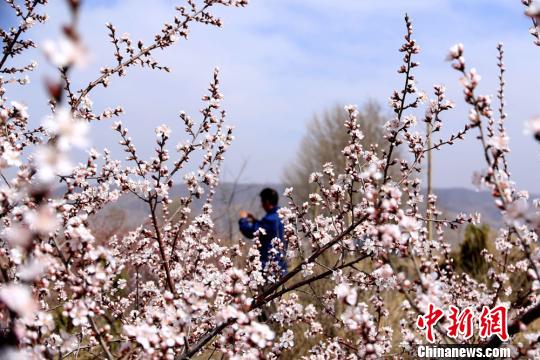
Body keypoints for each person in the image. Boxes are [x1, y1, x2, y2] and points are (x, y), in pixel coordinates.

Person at [238, 187, 287, 275]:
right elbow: (265, 229)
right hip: (281, 265)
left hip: (268, 266)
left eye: (262, 202)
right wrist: (255, 220)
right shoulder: (282, 216)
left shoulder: (269, 219)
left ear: (267, 202)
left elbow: (251, 232)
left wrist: (243, 220)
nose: (262, 205)